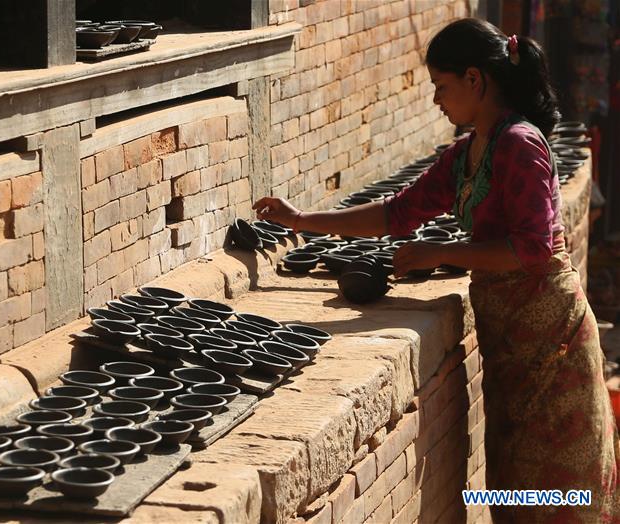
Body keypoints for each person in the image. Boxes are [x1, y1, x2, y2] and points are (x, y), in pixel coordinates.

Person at [253, 18, 619, 522]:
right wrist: (302, 221)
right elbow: (396, 213)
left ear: (475, 79)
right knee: (515, 483)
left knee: (560, 489)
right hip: (510, 341)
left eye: (441, 87)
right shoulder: (467, 154)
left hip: (552, 339)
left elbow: (534, 249)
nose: (436, 100)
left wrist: (443, 252)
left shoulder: (520, 144)